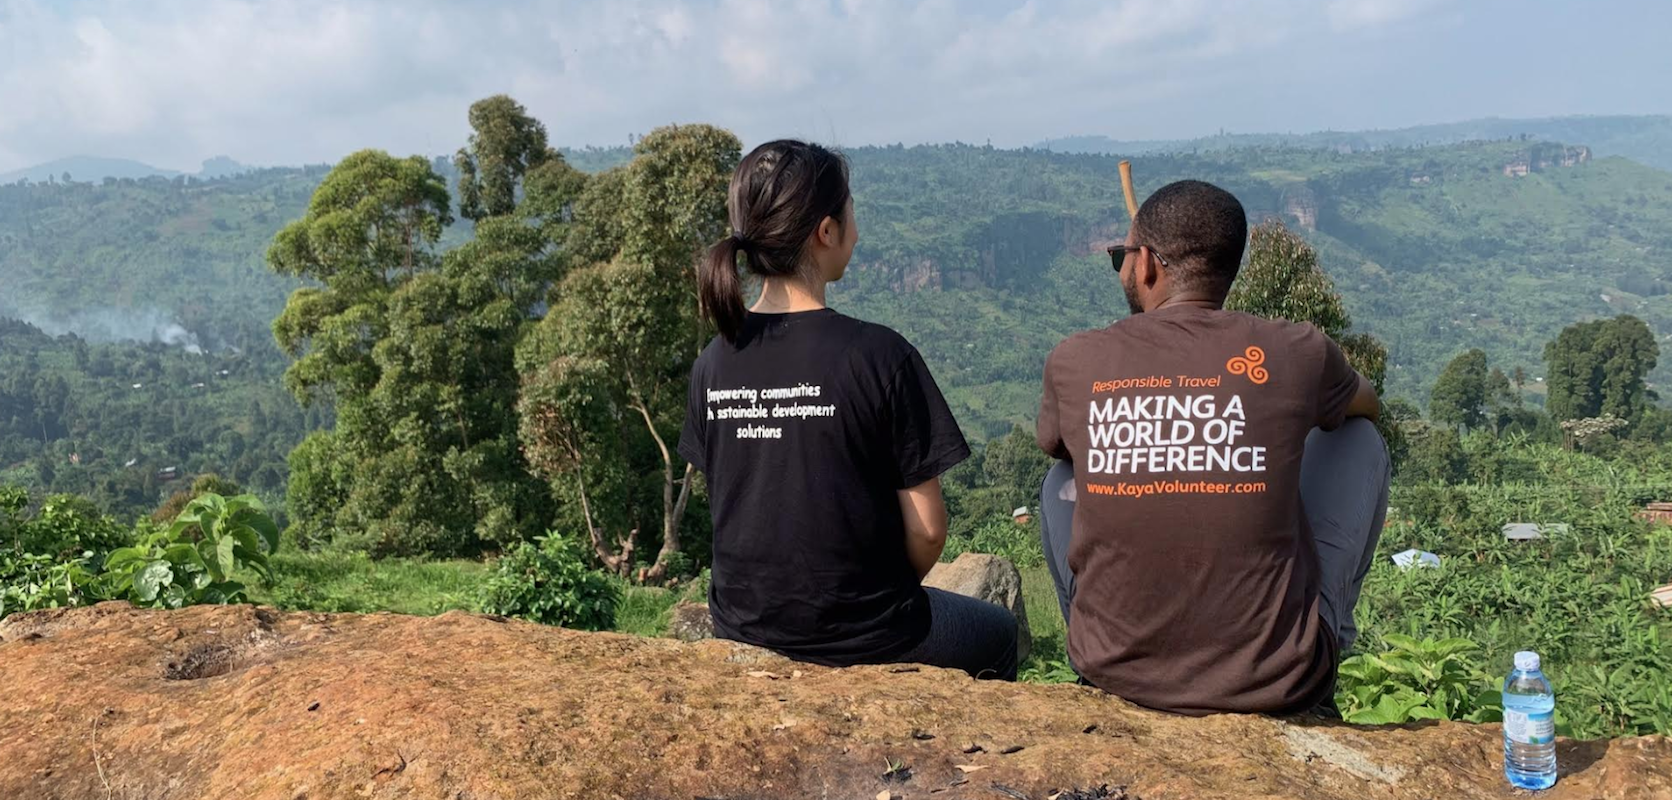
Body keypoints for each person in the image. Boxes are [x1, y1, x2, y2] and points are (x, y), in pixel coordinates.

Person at [1035, 180, 1389, 715]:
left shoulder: (1076, 357)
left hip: (1116, 673)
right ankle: (1323, 629)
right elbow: (1368, 403)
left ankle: (1102, 647)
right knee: (1359, 439)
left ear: (1148, 265)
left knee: (1059, 482)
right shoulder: (1297, 349)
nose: (1123, 269)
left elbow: (1057, 446)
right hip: (1276, 681)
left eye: (1121, 258)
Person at [678, 139, 1017, 680]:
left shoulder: (713, 362)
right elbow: (929, 530)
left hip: (743, 626)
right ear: (827, 231)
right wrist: (868, 599)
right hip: (868, 632)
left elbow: (737, 502)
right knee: (998, 635)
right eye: (850, 210)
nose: (856, 226)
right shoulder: (879, 356)